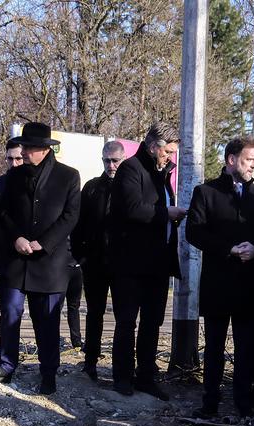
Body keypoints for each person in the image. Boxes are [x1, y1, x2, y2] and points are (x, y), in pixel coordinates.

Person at [183, 138, 254, 418]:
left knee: (246, 347)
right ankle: (210, 402)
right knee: (213, 347)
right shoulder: (206, 192)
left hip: (250, 285)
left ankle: (242, 403)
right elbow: (194, 232)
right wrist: (228, 249)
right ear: (231, 160)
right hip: (218, 283)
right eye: (249, 160)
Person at [0, 121, 80, 394]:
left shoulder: (68, 176)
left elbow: (71, 216)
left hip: (49, 263)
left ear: (43, 150)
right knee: (10, 313)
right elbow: (2, 212)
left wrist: (44, 243)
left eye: (27, 148)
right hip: (16, 260)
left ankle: (48, 373)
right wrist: (16, 237)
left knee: (47, 320)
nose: (23, 152)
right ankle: (5, 366)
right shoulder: (14, 177)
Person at [108, 121, 184, 399]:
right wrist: (168, 213)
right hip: (130, 262)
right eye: (169, 152)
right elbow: (133, 209)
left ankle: (146, 376)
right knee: (127, 321)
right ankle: (122, 377)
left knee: (152, 322)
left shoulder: (160, 173)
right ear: (154, 147)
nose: (171, 157)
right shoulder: (131, 169)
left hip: (157, 263)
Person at [72, 142, 126, 382]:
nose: (111, 165)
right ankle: (90, 361)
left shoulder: (130, 187)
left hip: (123, 264)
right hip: (94, 263)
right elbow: (79, 224)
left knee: (124, 318)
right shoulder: (92, 188)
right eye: (107, 161)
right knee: (94, 314)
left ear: (123, 160)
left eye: (115, 161)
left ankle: (121, 367)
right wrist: (81, 257)